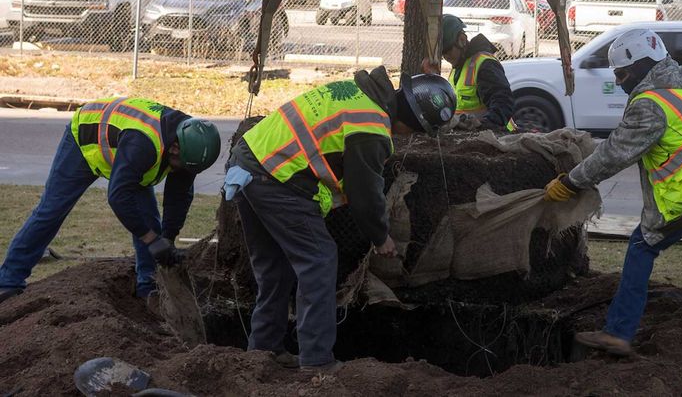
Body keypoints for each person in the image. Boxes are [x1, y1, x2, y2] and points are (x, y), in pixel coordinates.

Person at [224, 66, 456, 371]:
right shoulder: (371, 126)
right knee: (319, 260)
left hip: (249, 163)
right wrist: (380, 236)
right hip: (277, 177)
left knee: (275, 267)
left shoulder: (358, 94)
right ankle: (317, 362)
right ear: (413, 120)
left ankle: (264, 350)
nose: (408, 136)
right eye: (415, 130)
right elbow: (364, 194)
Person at [543, 28, 682, 384]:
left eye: (620, 74)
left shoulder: (651, 103)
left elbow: (613, 154)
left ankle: (618, 331)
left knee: (641, 246)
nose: (618, 82)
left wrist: (570, 182)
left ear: (639, 66)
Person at [0, 97, 221, 304]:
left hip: (125, 151)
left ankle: (148, 289)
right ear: (175, 147)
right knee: (50, 212)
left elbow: (179, 196)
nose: (181, 171)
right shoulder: (143, 145)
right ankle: (8, 281)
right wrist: (152, 240)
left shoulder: (190, 144)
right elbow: (118, 197)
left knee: (149, 221)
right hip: (85, 140)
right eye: (180, 165)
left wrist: (168, 238)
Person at [435, 14, 516, 131]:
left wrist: (484, 126)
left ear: (462, 40)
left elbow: (503, 101)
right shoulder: (459, 66)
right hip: (471, 136)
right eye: (442, 53)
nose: (445, 56)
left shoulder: (485, 65)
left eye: (447, 50)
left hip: (497, 137)